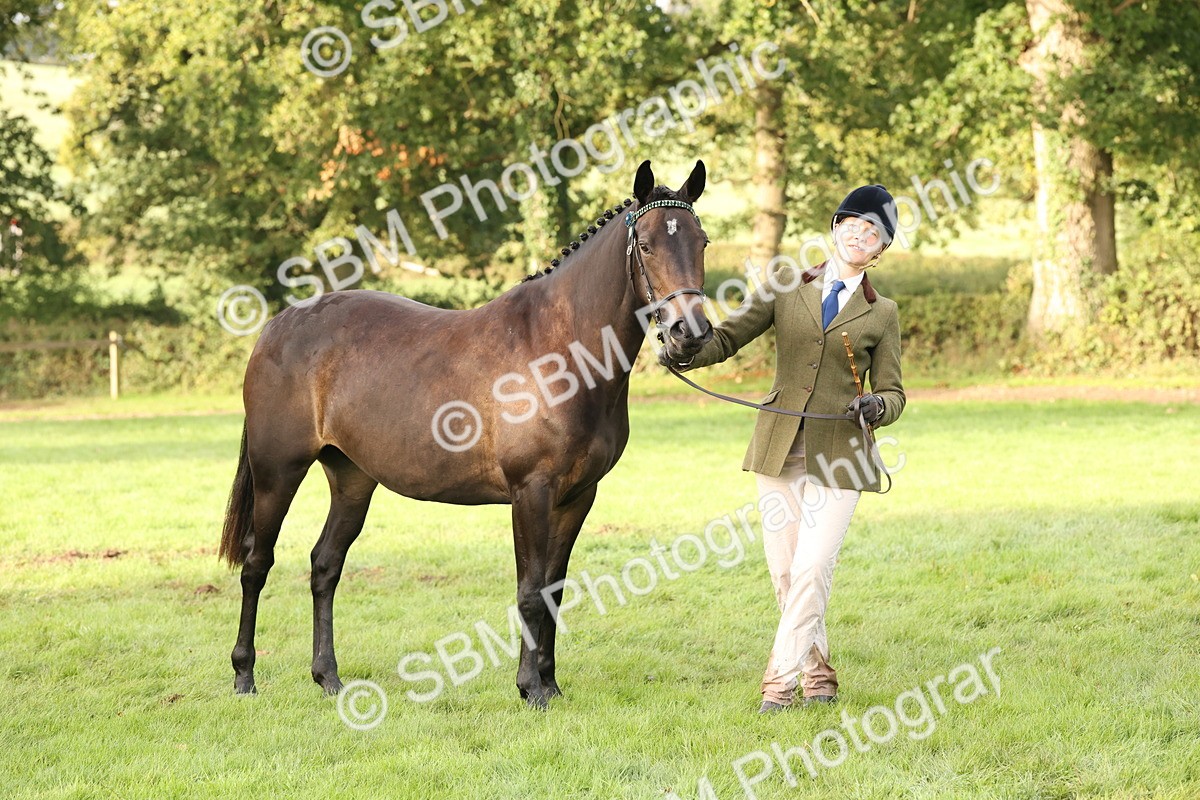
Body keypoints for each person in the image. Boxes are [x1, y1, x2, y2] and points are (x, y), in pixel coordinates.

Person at [662, 185, 906, 713]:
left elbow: (894, 392)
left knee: (813, 568)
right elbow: (726, 339)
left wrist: (878, 409)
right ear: (836, 227)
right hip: (778, 449)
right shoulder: (785, 285)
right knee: (785, 573)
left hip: (841, 455)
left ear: (880, 250)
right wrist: (686, 351)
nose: (860, 236)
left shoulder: (882, 312)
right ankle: (819, 675)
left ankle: (779, 683)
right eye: (854, 225)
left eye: (873, 233)